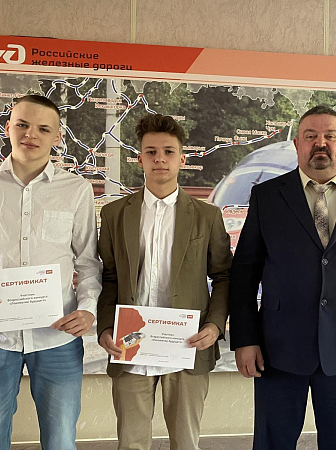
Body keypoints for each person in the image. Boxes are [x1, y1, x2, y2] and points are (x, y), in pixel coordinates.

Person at [229, 105, 336, 450]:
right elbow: (245, 273)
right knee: (272, 443)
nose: (320, 143)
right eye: (310, 136)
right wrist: (245, 339)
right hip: (278, 350)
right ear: (297, 144)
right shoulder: (267, 196)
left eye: (330, 136)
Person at [0, 94, 102, 449]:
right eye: (22, 124)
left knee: (61, 442)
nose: (31, 134)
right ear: (8, 127)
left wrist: (88, 309)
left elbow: (88, 262)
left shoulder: (76, 190)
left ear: (58, 136)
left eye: (43, 128)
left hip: (57, 336)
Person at [97, 114, 232, 450]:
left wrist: (215, 325)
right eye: (151, 152)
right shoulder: (114, 214)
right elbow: (109, 276)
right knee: (131, 443)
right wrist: (105, 327)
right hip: (130, 345)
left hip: (186, 344)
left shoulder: (207, 216)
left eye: (169, 152)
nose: (160, 159)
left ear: (182, 159)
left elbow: (224, 276)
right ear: (139, 158)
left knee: (185, 443)